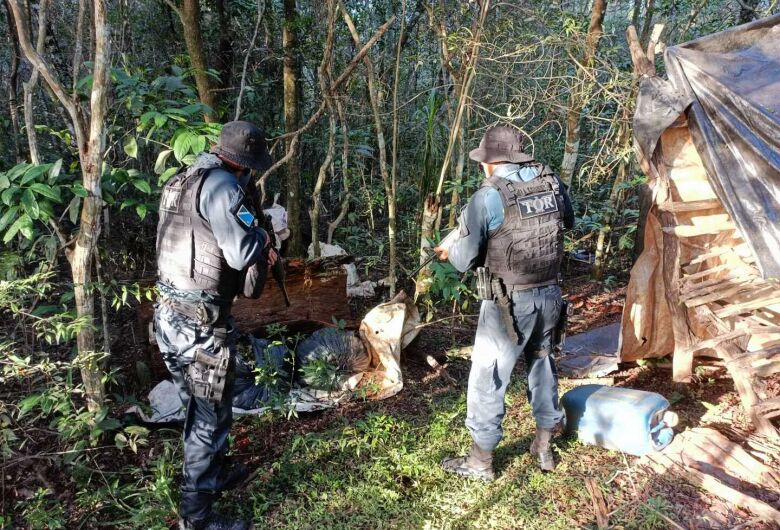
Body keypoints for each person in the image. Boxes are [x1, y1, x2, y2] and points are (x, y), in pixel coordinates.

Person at [154, 121, 277, 530]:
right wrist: (264, 236)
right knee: (207, 416)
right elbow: (242, 253)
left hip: (169, 318)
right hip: (199, 329)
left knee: (202, 406)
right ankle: (197, 518)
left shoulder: (182, 179)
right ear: (244, 162)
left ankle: (215, 474)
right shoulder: (225, 187)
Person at [435, 125, 575, 481]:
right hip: (551, 296)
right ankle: (543, 444)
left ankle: (480, 462)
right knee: (542, 364)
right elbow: (567, 222)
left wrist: (448, 250)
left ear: (490, 162)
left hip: (508, 304)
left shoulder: (488, 196)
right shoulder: (551, 183)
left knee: (488, 377)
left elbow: (465, 259)